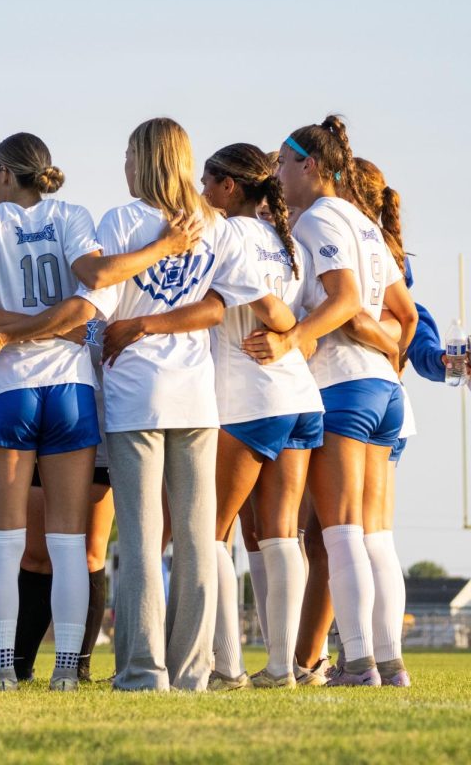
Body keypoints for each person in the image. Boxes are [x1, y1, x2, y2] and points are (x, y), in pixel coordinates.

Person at [0, 132, 198, 690]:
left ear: (2, 172)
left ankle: (3, 670)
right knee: (71, 542)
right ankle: (67, 670)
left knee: (6, 541)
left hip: (8, 391)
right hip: (70, 389)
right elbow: (84, 300)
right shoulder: (73, 215)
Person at [71, 118, 296, 691]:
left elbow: (97, 309)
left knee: (144, 541)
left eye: (127, 153)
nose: (122, 165)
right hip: (196, 396)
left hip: (136, 397)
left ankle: (143, 672)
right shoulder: (216, 226)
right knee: (197, 541)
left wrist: (127, 332)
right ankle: (193, 671)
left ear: (145, 159)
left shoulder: (120, 220)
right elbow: (220, 308)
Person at [243, 116, 418, 687]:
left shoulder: (318, 218)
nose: (277, 176)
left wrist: (293, 337)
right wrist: (388, 362)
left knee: (339, 533)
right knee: (375, 536)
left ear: (309, 167)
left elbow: (343, 298)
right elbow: (406, 314)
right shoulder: (365, 223)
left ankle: (362, 661)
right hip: (384, 389)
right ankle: (390, 663)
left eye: (283, 165)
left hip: (341, 384)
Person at [182, 143, 323, 689]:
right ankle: (284, 669)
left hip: (248, 400)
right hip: (299, 400)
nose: (200, 192)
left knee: (210, 534)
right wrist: (291, 337)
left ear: (229, 187)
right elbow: (305, 317)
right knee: (281, 534)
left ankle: (227, 666)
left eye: (206, 182)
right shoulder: (288, 243)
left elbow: (272, 311)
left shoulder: (230, 234)